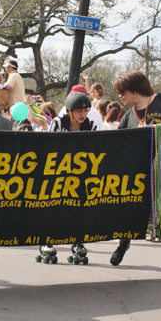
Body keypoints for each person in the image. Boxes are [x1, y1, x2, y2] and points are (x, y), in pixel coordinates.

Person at [109, 71, 161, 272]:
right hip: (145, 167)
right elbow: (117, 144)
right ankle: (123, 244)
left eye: (122, 91)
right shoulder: (128, 117)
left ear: (135, 89)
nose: (120, 96)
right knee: (133, 206)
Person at [37, 92, 97, 265]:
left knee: (79, 208)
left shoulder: (91, 125)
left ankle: (77, 241)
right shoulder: (57, 123)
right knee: (53, 207)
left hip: (80, 174)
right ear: (70, 111)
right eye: (79, 111)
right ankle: (46, 241)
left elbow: (95, 150)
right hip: (57, 172)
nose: (83, 114)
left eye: (85, 110)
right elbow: (49, 147)